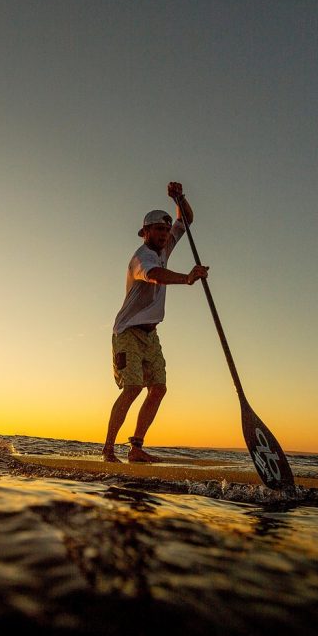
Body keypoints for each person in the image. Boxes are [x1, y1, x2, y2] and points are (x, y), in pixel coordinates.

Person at [103, 182, 209, 463]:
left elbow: (185, 220)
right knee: (133, 387)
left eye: (164, 231)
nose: (164, 234)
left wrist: (180, 197)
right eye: (157, 230)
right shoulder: (142, 257)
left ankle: (136, 447)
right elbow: (155, 276)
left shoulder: (164, 247)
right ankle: (108, 449)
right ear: (145, 232)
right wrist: (186, 278)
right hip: (127, 332)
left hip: (151, 334)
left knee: (159, 388)